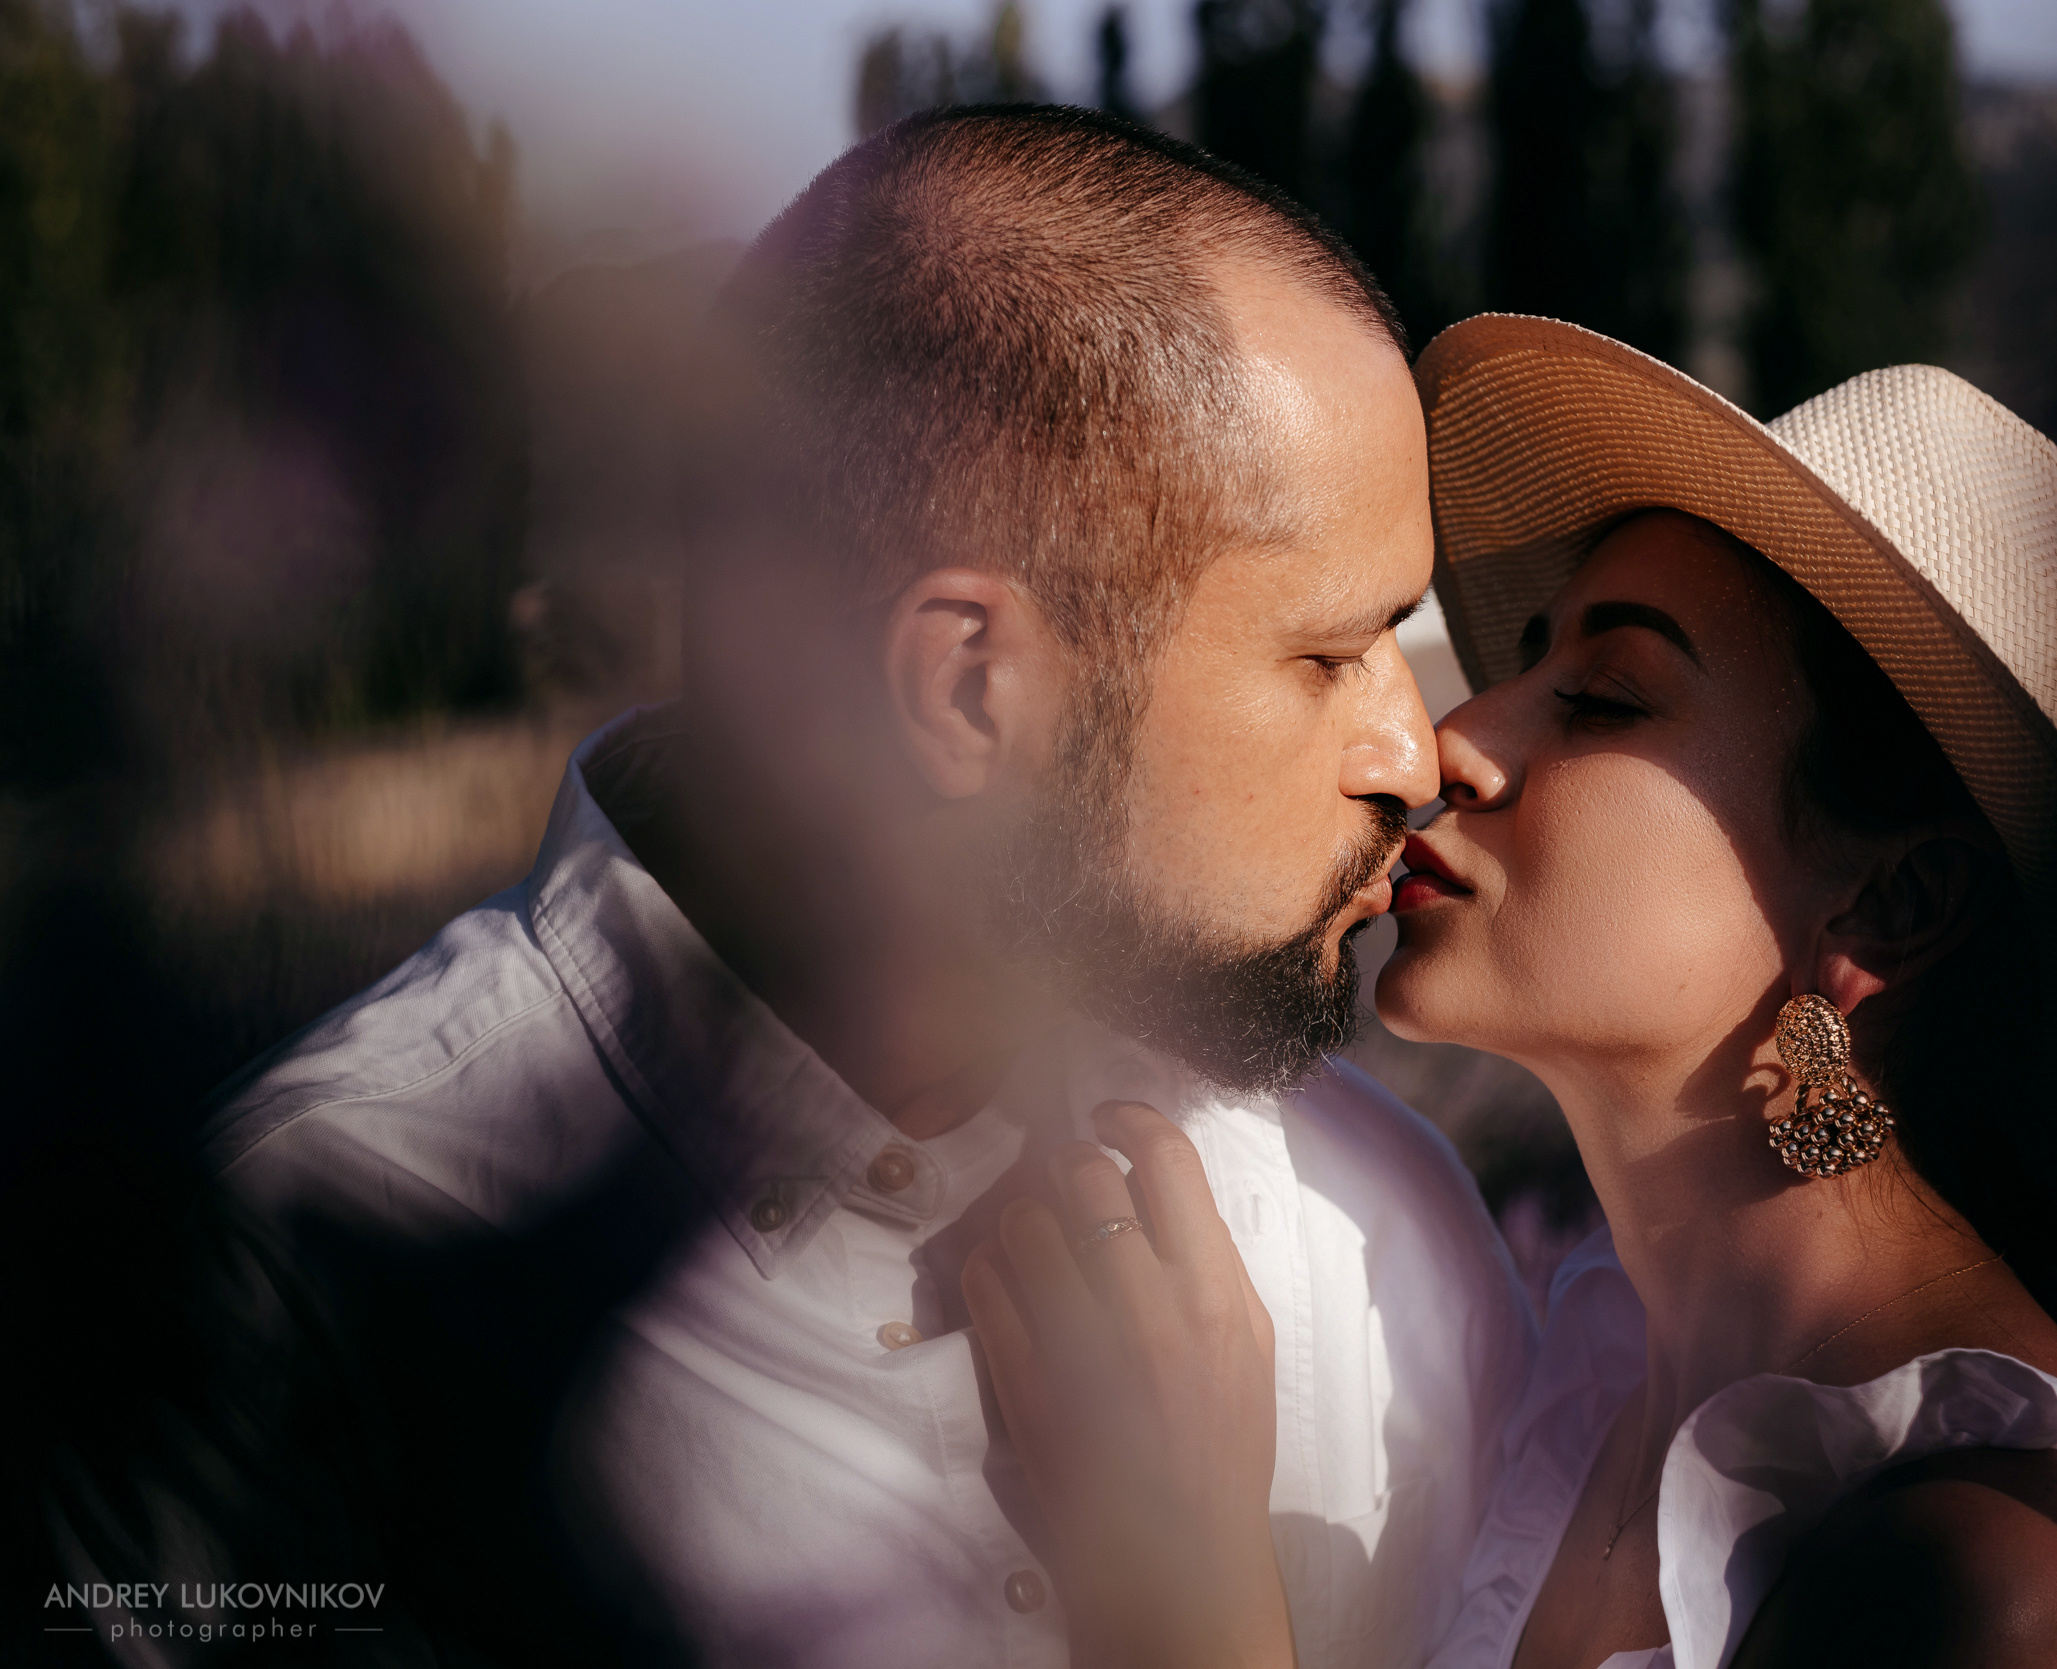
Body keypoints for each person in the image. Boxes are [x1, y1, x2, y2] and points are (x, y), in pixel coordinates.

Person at [199, 108, 1531, 1668]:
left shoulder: (1380, 1242)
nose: (1414, 752)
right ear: (968, 690)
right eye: (1328, 654)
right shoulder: (298, 1303)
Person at [968, 316, 2057, 1667]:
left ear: (1890, 903)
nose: (1454, 741)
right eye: (1531, 666)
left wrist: (1186, 1579)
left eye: (1605, 697)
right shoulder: (1565, 1400)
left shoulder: (2001, 1584)